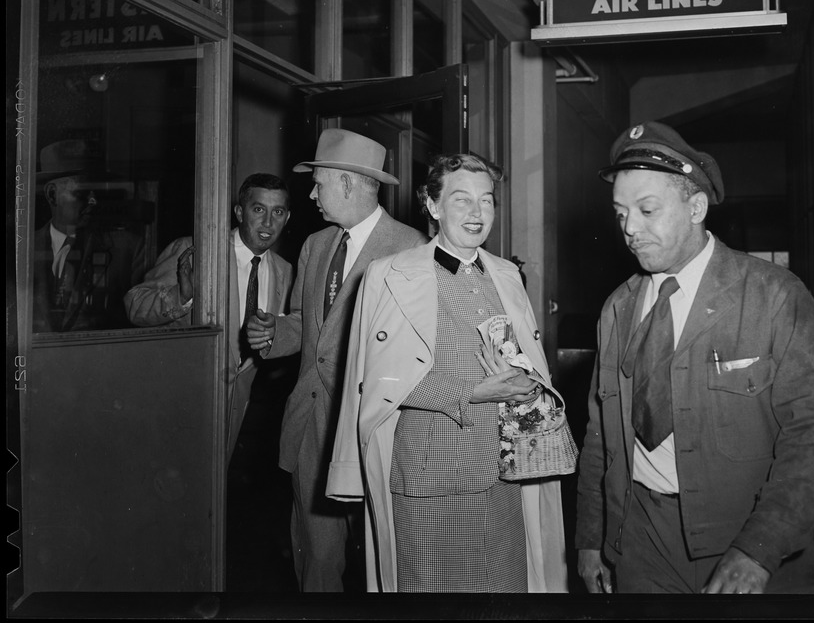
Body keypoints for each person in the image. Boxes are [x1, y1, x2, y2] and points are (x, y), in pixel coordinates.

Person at [575, 121, 814, 595]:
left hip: (750, 544)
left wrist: (759, 548)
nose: (629, 229)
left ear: (696, 206)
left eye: (647, 210)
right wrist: (591, 538)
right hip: (642, 544)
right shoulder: (618, 307)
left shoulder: (773, 295)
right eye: (620, 213)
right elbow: (600, 435)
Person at [326, 153, 568, 593]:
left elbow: (529, 361)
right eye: (461, 200)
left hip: (505, 477)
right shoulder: (390, 275)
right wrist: (474, 390)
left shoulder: (508, 275)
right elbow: (380, 381)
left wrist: (527, 388)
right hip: (429, 482)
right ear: (433, 206)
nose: (477, 213)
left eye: (487, 201)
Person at [246, 128, 427, 593]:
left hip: (375, 429)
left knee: (382, 554)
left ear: (347, 183)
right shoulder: (315, 245)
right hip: (312, 425)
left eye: (319, 183)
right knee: (315, 558)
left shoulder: (410, 248)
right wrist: (272, 333)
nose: (312, 194)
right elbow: (309, 329)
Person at [124, 173, 294, 462]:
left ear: (287, 218)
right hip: (180, 401)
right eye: (258, 209)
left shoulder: (285, 271)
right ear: (239, 212)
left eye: (277, 212)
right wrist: (182, 296)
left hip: (237, 411)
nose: (268, 223)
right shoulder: (196, 250)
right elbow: (135, 306)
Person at [33, 139, 146, 333]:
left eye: (97, 192)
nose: (94, 200)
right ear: (52, 195)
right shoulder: (18, 249)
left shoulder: (128, 249)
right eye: (83, 193)